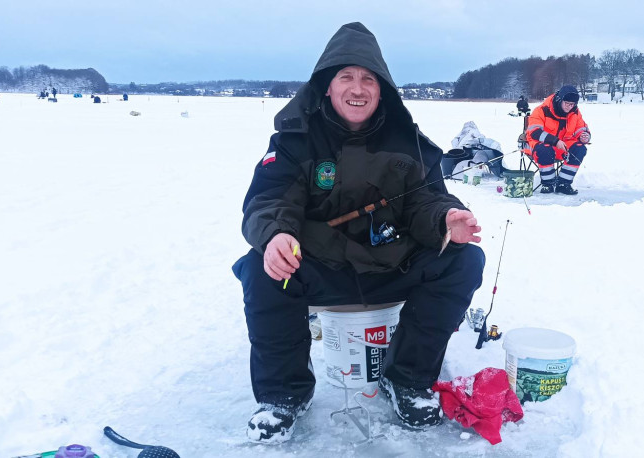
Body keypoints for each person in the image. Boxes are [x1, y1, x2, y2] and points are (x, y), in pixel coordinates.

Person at [231, 22, 486, 443]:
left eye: (368, 78)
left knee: (465, 260)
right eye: (345, 76)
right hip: (320, 266)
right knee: (262, 268)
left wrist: (446, 220)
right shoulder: (295, 140)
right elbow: (271, 199)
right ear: (326, 87)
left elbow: (427, 202)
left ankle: (406, 379)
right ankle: (283, 396)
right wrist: (276, 235)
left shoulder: (409, 144)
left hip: (390, 265)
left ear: (382, 89)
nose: (357, 87)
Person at [524, 85, 591, 195]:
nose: (569, 107)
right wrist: (555, 141)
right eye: (567, 103)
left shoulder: (575, 112)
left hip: (562, 146)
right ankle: (548, 184)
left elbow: (581, 128)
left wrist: (585, 136)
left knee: (580, 149)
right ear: (559, 100)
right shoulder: (541, 110)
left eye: (572, 104)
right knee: (545, 149)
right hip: (537, 146)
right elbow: (535, 132)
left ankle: (563, 184)